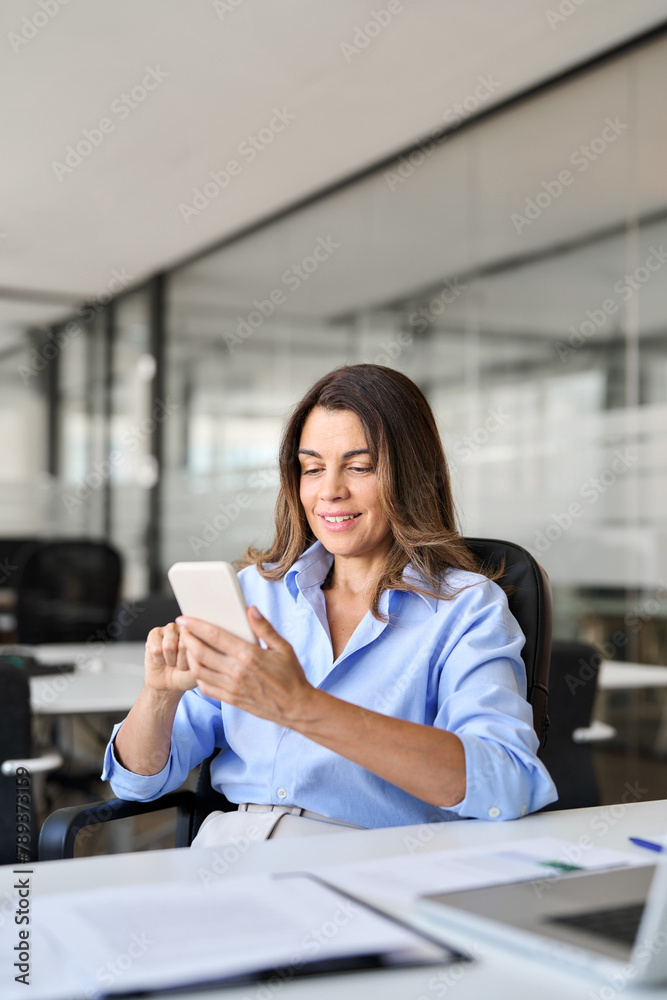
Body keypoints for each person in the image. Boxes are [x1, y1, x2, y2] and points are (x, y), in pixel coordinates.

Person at [103, 364, 557, 844]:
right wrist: (160, 696)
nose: (329, 491)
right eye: (313, 468)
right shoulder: (257, 593)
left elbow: (506, 783)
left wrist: (304, 707)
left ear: (413, 476)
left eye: (360, 467)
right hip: (230, 858)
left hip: (374, 864)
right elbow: (136, 781)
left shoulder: (467, 608)